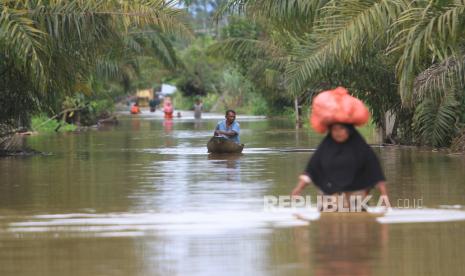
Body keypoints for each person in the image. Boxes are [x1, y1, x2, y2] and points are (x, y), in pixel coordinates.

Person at [291, 123, 389, 211]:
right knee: (329, 224)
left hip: (356, 195)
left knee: (358, 227)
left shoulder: (361, 148)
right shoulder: (325, 148)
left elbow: (376, 172)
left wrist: (384, 196)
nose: (338, 132)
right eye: (334, 129)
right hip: (330, 195)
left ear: (349, 130)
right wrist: (299, 188)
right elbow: (311, 169)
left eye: (341, 128)